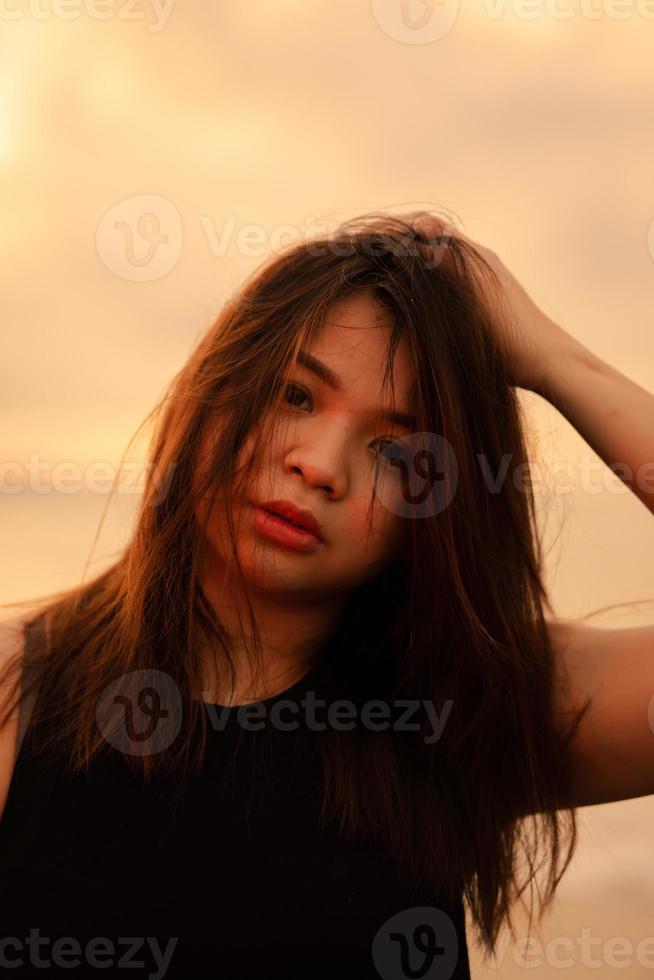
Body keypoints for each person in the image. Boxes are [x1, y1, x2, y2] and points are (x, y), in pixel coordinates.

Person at [1, 210, 653, 979]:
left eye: (394, 451)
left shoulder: (469, 702)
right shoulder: (20, 688)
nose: (318, 465)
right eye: (294, 395)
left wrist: (553, 359)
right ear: (213, 388)